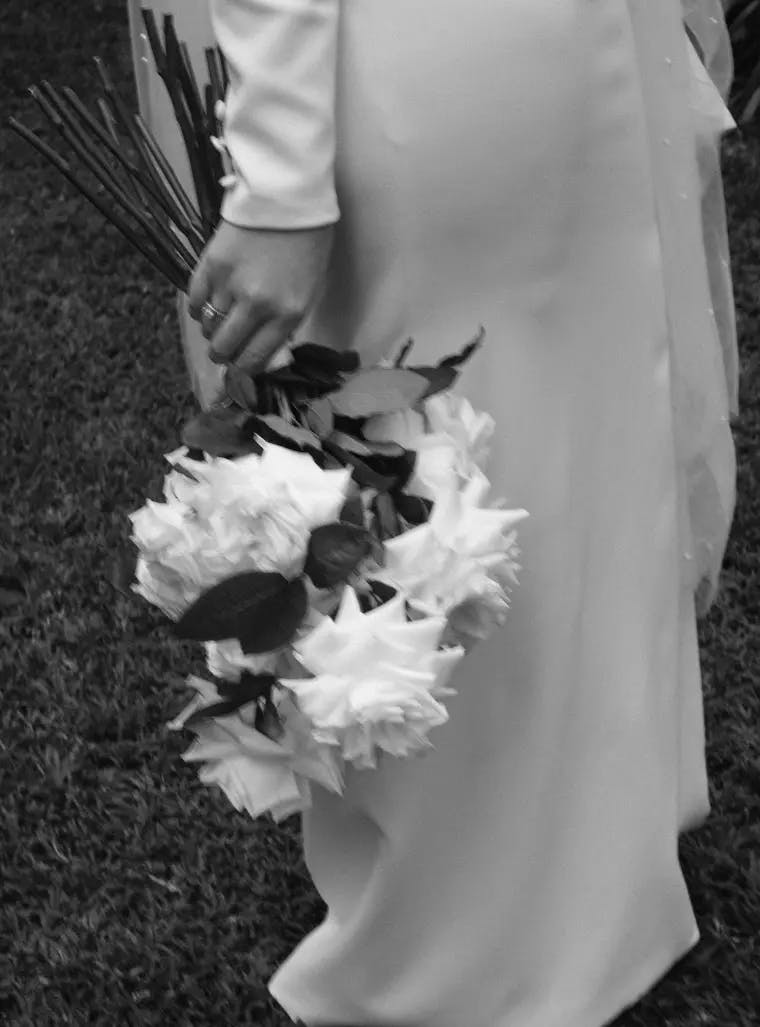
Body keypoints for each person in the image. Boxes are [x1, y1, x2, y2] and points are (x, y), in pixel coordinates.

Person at [128, 2, 739, 1025]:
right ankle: (569, 882)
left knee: (512, 444)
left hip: (463, 67)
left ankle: (514, 918)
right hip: (527, 59)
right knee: (503, 443)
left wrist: (278, 184)